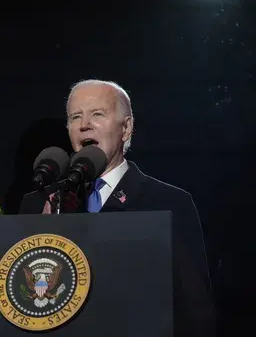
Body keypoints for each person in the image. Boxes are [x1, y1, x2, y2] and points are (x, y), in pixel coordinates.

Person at [38, 79, 215, 336]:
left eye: (97, 114)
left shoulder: (168, 202)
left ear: (126, 127)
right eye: (75, 117)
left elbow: (197, 310)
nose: (84, 124)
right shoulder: (51, 204)